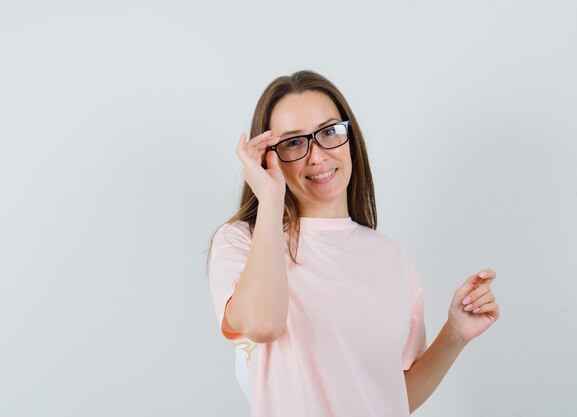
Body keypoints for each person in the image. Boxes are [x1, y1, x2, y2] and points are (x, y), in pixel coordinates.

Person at [206, 69, 500, 417]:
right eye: (294, 142)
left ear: (350, 137)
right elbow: (262, 324)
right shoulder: (243, 241)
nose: (317, 156)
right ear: (268, 156)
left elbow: (392, 396)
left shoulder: (392, 257)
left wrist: (454, 334)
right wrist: (269, 201)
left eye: (329, 131)